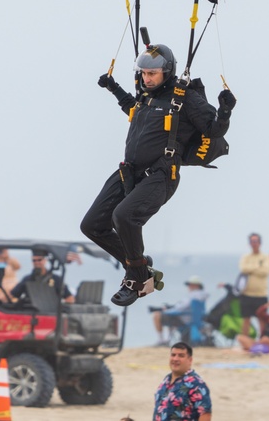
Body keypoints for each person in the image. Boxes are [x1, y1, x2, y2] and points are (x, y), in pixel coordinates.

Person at [82, 43, 235, 307]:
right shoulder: (144, 95)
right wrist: (113, 88)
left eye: (152, 73)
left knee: (124, 216)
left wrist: (225, 111)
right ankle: (140, 265)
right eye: (143, 73)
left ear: (166, 72)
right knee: (92, 225)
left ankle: (139, 280)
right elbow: (133, 109)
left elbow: (212, 130)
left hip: (161, 175)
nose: (147, 78)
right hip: (129, 172)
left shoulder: (183, 97)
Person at [153, 342, 212, 421]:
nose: (175, 359)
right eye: (173, 355)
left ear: (190, 360)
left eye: (181, 356)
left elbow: (205, 414)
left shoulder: (197, 384)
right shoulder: (166, 380)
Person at [151, 276, 210, 345]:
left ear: (196, 285)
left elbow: (180, 308)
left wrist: (166, 311)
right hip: (195, 319)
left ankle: (161, 340)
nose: (188, 286)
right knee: (170, 318)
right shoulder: (202, 295)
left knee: (157, 315)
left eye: (190, 285)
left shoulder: (193, 296)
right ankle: (167, 339)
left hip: (185, 319)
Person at [9, 250, 75, 304]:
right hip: (29, 313)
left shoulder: (56, 279)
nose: (37, 262)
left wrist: (59, 310)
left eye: (39, 260)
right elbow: (12, 294)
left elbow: (69, 298)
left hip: (50, 314)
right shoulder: (27, 279)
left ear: (45, 261)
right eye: (34, 260)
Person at [238, 233, 269, 337]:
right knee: (246, 319)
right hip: (247, 293)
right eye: (252, 241)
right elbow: (243, 269)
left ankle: (262, 341)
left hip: (261, 294)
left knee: (262, 320)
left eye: (256, 241)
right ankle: (245, 341)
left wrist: (251, 269)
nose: (254, 243)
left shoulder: (265, 257)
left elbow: (265, 271)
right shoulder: (245, 257)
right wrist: (258, 266)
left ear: (260, 243)